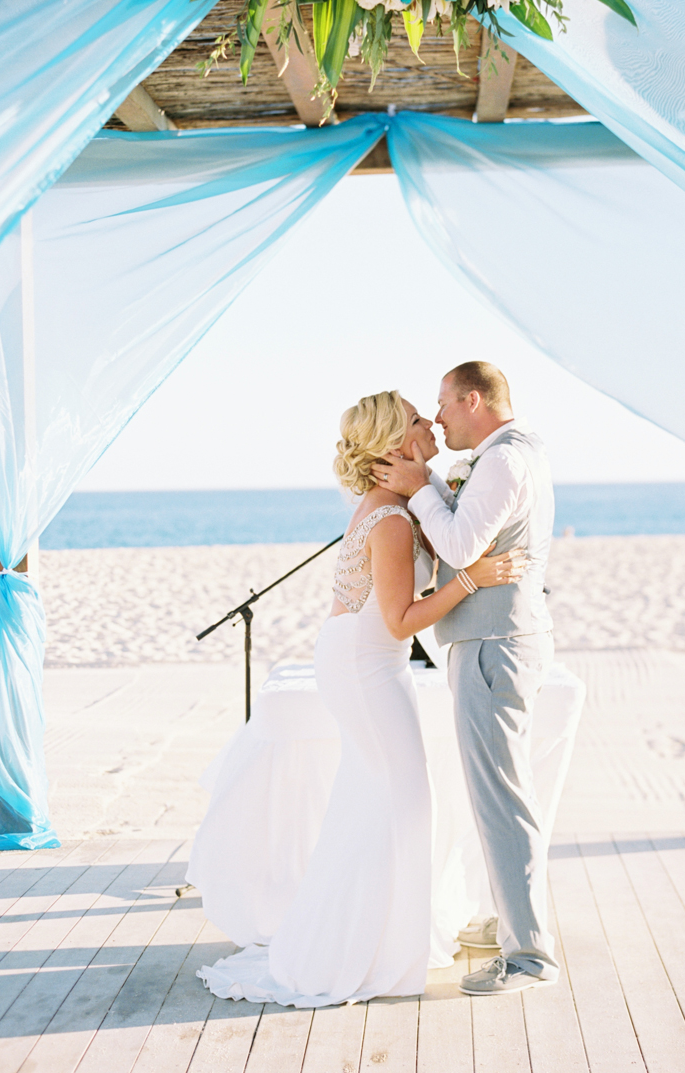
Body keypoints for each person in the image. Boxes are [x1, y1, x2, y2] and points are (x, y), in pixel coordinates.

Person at [196, 390, 527, 1008]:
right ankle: (365, 947)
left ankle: (364, 936)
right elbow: (402, 620)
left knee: (375, 799)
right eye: (415, 419)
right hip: (367, 663)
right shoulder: (394, 519)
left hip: (362, 657)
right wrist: (469, 580)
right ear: (396, 443)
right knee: (405, 802)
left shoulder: (390, 506)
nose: (430, 422)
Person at [371, 362, 561, 996]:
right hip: (493, 641)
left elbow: (459, 543)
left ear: (473, 400)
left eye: (444, 404)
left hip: (492, 646)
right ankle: (514, 929)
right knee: (501, 797)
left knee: (501, 801)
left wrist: (423, 485)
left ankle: (529, 956)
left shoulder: (504, 461)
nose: (440, 416)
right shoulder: (507, 456)